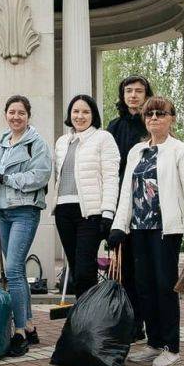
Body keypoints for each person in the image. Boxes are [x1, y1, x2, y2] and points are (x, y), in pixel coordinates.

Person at [108, 96, 184, 366]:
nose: (154, 118)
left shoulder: (181, 151)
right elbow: (126, 194)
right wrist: (118, 226)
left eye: (160, 114)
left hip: (166, 231)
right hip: (138, 230)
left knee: (165, 287)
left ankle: (171, 346)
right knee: (143, 287)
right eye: (149, 114)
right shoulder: (136, 152)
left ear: (171, 118)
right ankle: (153, 343)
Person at [0, 95, 53, 357]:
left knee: (12, 269)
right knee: (17, 273)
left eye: (21, 113)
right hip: (1, 211)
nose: (16, 117)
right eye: (12, 112)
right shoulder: (1, 143)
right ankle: (31, 325)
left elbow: (40, 176)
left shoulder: (36, 144)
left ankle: (20, 331)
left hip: (25, 211)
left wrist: (5, 179)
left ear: (28, 116)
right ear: (5, 114)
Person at [52, 94, 120, 298]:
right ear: (69, 114)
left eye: (85, 111)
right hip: (64, 211)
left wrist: (108, 212)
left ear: (93, 115)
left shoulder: (103, 138)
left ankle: (90, 320)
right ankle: (83, 316)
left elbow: (111, 176)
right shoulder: (63, 141)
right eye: (75, 111)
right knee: (75, 270)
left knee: (84, 270)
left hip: (89, 213)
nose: (80, 116)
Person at [107, 75, 154, 341]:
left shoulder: (151, 124)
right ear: (123, 95)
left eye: (138, 91)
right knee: (122, 267)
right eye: (128, 91)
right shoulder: (114, 127)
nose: (133, 95)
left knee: (143, 266)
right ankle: (129, 321)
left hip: (146, 204)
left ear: (146, 94)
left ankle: (145, 319)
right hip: (120, 203)